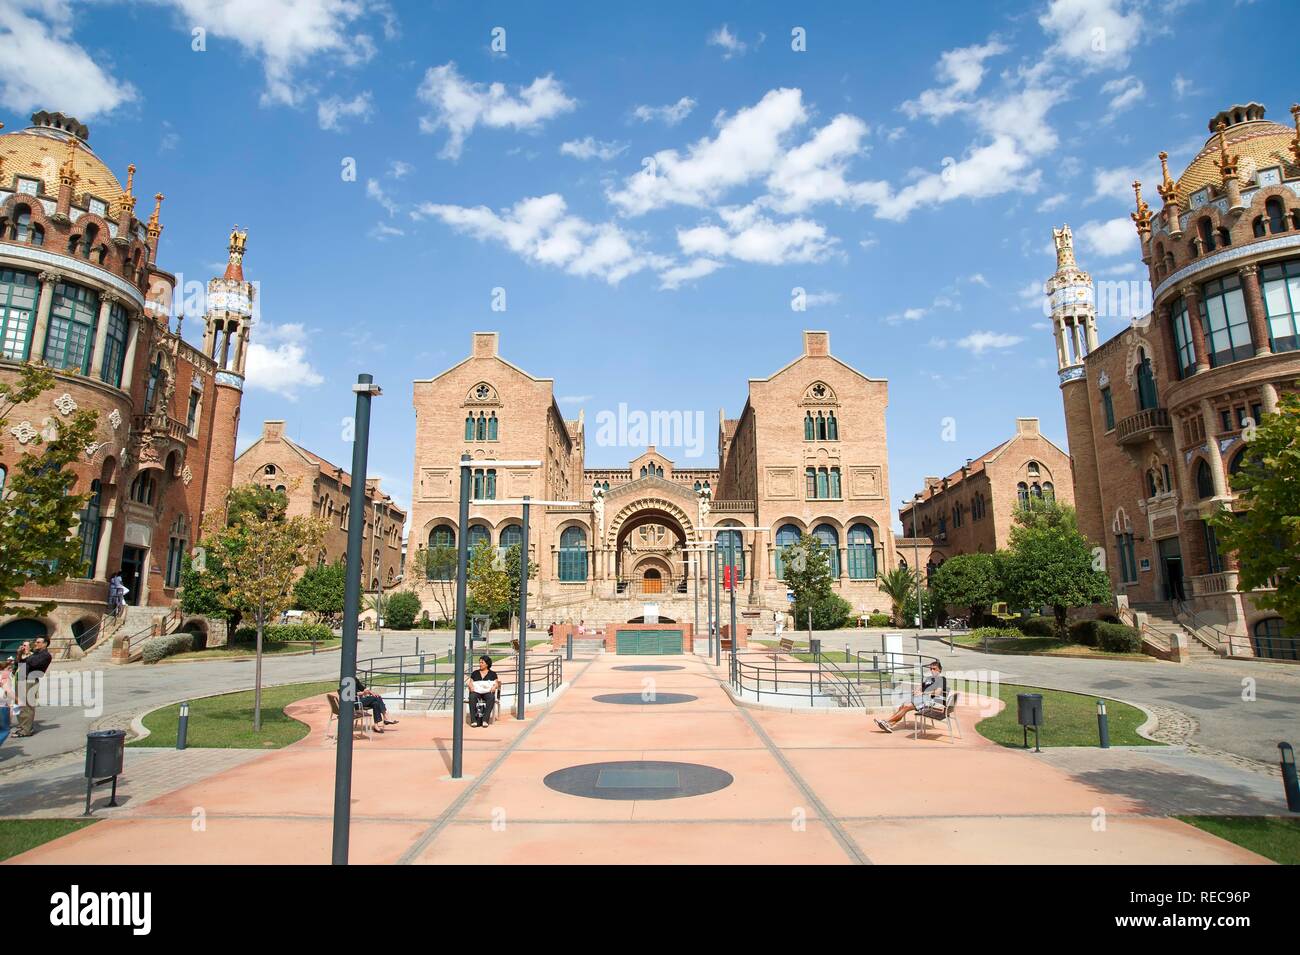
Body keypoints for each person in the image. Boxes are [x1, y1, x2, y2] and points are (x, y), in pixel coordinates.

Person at [874, 660, 947, 733]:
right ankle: (890, 724)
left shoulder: (941, 679)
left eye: (934, 669)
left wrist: (922, 693)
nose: (932, 670)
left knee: (906, 706)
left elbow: (937, 692)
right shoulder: (929, 678)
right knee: (902, 706)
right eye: (931, 669)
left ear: (939, 669)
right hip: (922, 698)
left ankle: (886, 721)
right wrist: (916, 690)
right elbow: (921, 685)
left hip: (930, 701)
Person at [14, 637, 52, 737]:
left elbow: (33, 664)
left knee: (27, 706)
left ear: (45, 644)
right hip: (22, 678)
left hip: (30, 679)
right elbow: (19, 664)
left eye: (38, 642)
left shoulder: (45, 655)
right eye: (35, 642)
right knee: (20, 705)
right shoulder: (35, 654)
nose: (35, 644)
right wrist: (19, 654)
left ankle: (26, 730)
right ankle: (23, 727)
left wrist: (27, 655)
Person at [465, 655, 500, 728]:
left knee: (491, 697)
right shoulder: (475, 673)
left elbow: (496, 683)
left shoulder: (493, 674)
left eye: (482, 663)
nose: (480, 664)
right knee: (472, 697)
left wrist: (494, 687)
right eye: (479, 662)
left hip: (487, 692)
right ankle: (474, 720)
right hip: (476, 692)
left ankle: (485, 720)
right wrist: (470, 686)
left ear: (487, 664)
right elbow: (471, 682)